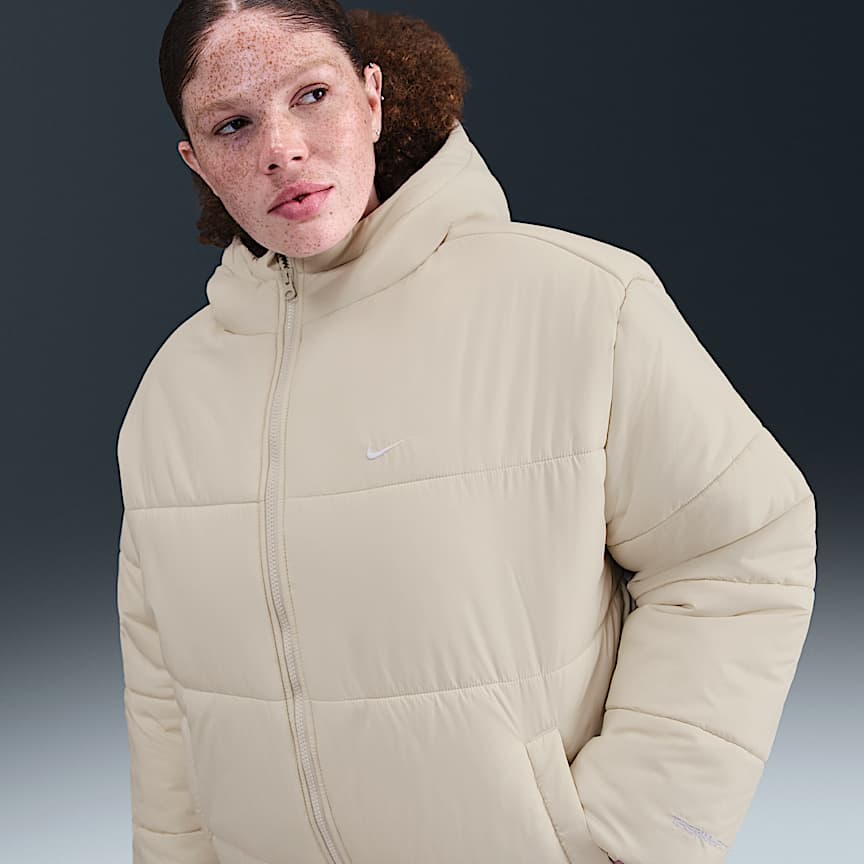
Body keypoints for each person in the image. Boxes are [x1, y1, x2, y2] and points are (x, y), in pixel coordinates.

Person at [115, 2, 817, 863]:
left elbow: (739, 549)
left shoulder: (578, 302)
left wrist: (639, 838)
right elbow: (165, 698)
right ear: (197, 160)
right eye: (233, 125)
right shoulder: (173, 395)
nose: (282, 149)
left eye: (311, 95)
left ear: (372, 98)